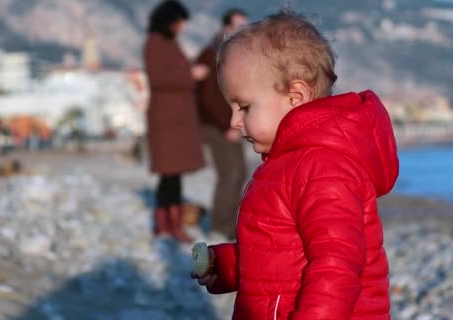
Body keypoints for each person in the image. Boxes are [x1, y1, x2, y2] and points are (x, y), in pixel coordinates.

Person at [191, 10, 399, 319]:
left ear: (295, 97)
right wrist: (224, 265)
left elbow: (337, 265)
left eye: (244, 107)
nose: (235, 122)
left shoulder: (323, 168)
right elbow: (277, 252)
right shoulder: (284, 164)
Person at [144, 1, 208, 243]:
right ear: (169, 21)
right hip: (167, 120)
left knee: (174, 175)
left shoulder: (168, 43)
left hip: (176, 120)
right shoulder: (154, 43)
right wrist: (190, 75)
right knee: (169, 175)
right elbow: (159, 78)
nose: (181, 27)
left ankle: (171, 223)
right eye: (179, 22)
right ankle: (166, 225)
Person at [195, 8, 249, 239]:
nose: (242, 30)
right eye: (238, 25)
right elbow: (209, 96)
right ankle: (220, 227)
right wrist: (226, 124)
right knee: (230, 173)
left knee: (240, 172)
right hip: (215, 124)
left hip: (228, 123)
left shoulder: (230, 53)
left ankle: (233, 226)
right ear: (226, 26)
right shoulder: (213, 53)